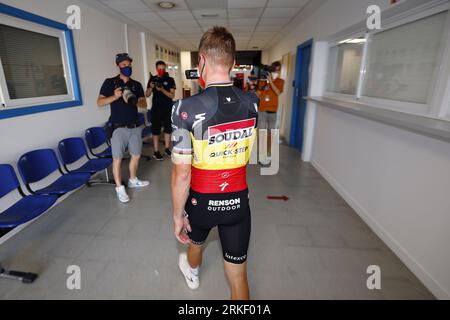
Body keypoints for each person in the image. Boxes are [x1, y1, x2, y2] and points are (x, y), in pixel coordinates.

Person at [171, 26, 258, 300]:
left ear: (201, 61)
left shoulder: (184, 108)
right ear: (232, 63)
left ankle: (192, 272)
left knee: (195, 241)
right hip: (238, 203)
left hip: (202, 202)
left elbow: (182, 172)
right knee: (238, 277)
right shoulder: (252, 103)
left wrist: (177, 216)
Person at [97, 53, 150, 203]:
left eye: (129, 65)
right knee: (117, 159)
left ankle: (133, 179)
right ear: (118, 66)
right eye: (124, 65)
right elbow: (99, 102)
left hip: (134, 126)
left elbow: (144, 105)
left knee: (136, 155)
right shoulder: (110, 83)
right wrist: (115, 96)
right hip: (118, 128)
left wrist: (133, 101)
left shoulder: (136, 84)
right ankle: (120, 188)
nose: (127, 67)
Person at [146, 60, 176, 161]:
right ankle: (156, 151)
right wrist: (151, 88)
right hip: (156, 109)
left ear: (165, 68)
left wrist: (162, 89)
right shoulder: (152, 79)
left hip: (167, 108)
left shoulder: (170, 80)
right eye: (159, 69)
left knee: (168, 129)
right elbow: (147, 94)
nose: (161, 71)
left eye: (163, 69)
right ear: (156, 69)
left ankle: (167, 148)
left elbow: (172, 95)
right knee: (156, 130)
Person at [256, 61, 284, 166]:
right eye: (275, 69)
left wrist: (271, 81)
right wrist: (264, 85)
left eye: (278, 69)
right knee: (262, 133)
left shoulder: (280, 81)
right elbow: (258, 95)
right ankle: (261, 155)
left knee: (270, 133)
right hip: (262, 110)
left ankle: (268, 153)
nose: (276, 71)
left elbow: (277, 92)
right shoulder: (262, 81)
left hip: (273, 111)